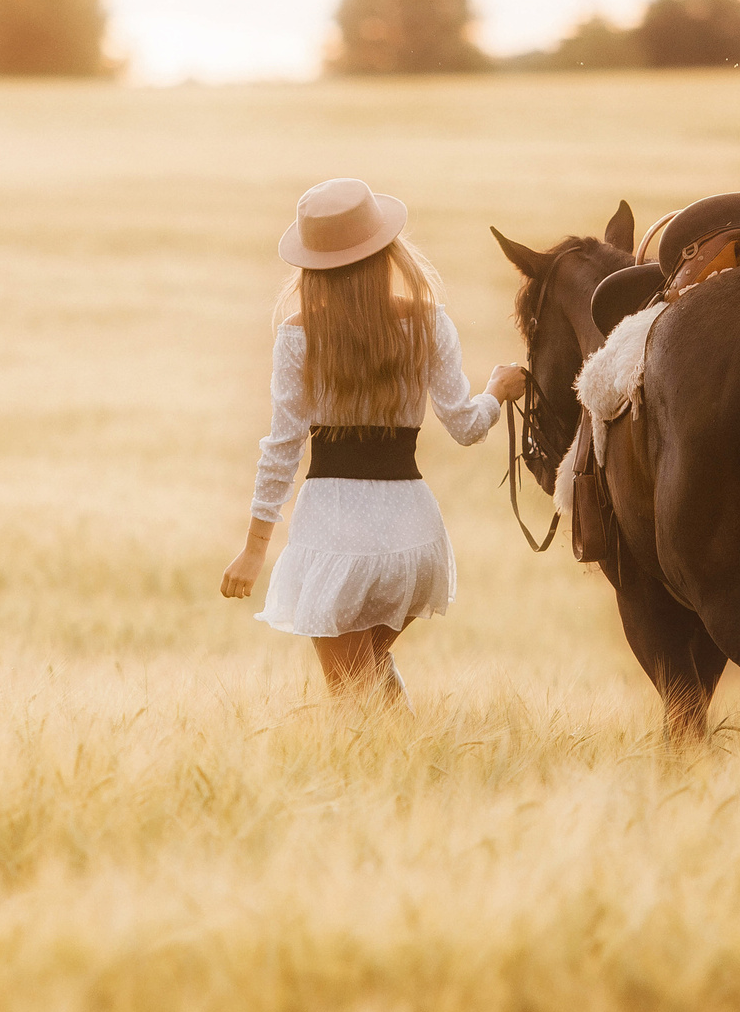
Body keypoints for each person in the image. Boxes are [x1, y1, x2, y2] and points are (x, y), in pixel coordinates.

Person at [220, 178, 527, 707]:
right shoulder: (431, 323)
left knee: (353, 705)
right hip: (413, 540)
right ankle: (420, 774)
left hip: (334, 537)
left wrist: (254, 549)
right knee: (371, 679)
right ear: (387, 249)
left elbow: (284, 446)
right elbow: (466, 425)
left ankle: (403, 777)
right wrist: (497, 392)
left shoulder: (298, 335)